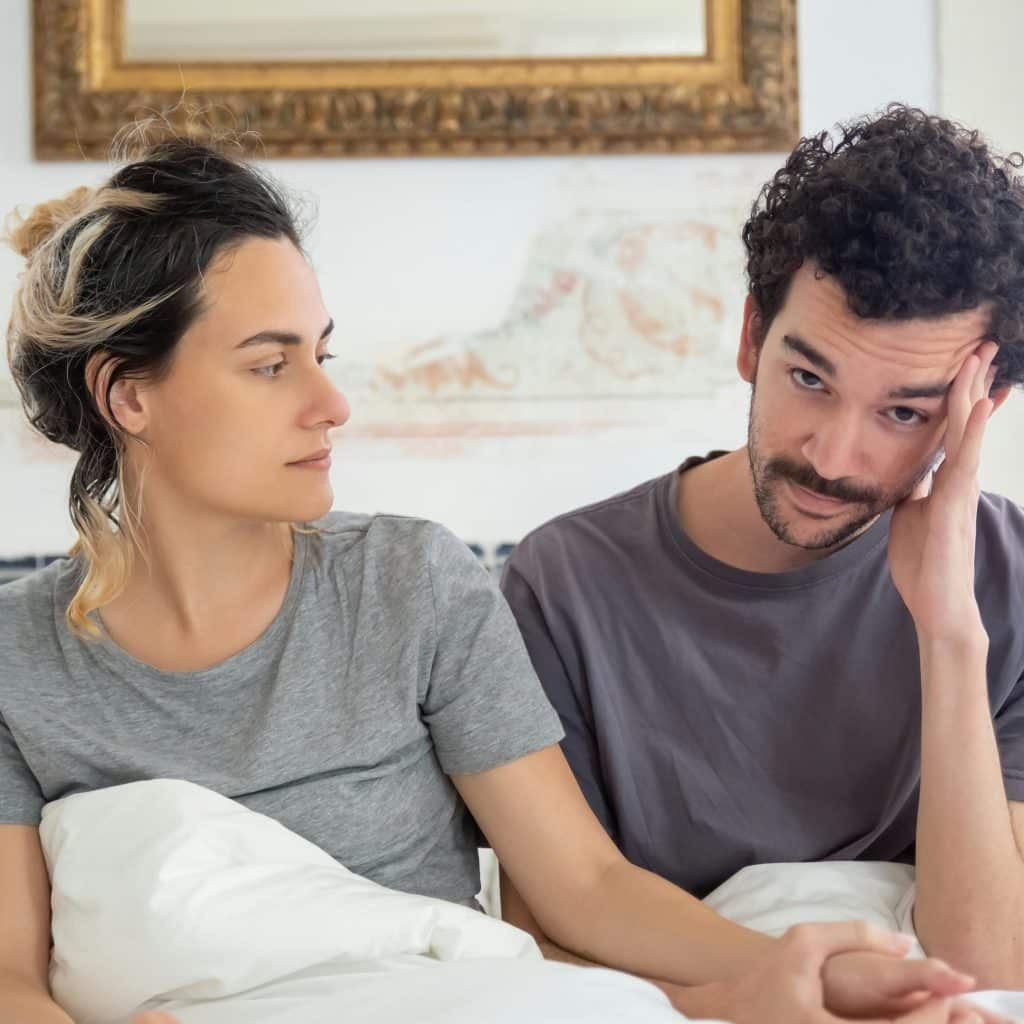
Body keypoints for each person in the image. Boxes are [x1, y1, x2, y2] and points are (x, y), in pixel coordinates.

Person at [0, 130, 994, 1024]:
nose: (333, 402)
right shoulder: (16, 660)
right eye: (272, 365)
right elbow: (8, 979)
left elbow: (586, 886)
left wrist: (802, 976)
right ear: (128, 393)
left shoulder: (412, 583)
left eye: (322, 353)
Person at [498, 104, 1024, 996]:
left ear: (982, 406)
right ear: (751, 337)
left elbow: (990, 970)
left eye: (904, 411)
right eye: (809, 378)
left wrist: (948, 634)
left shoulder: (1006, 583)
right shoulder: (563, 586)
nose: (831, 455)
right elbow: (544, 946)